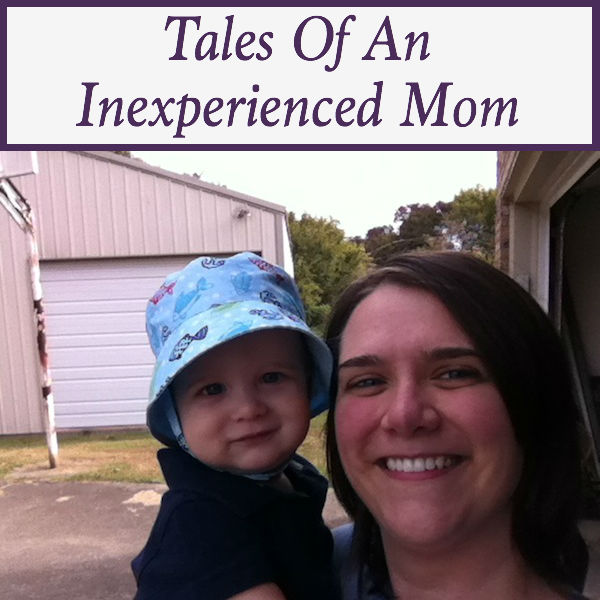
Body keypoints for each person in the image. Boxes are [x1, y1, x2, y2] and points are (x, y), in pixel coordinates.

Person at [324, 251, 590, 600]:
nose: (404, 415)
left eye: (455, 374)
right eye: (368, 381)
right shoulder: (291, 572)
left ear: (535, 399)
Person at [132, 252, 336, 600]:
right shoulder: (198, 524)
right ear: (175, 413)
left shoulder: (296, 477)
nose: (248, 409)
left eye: (272, 377)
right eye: (212, 389)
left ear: (307, 382)